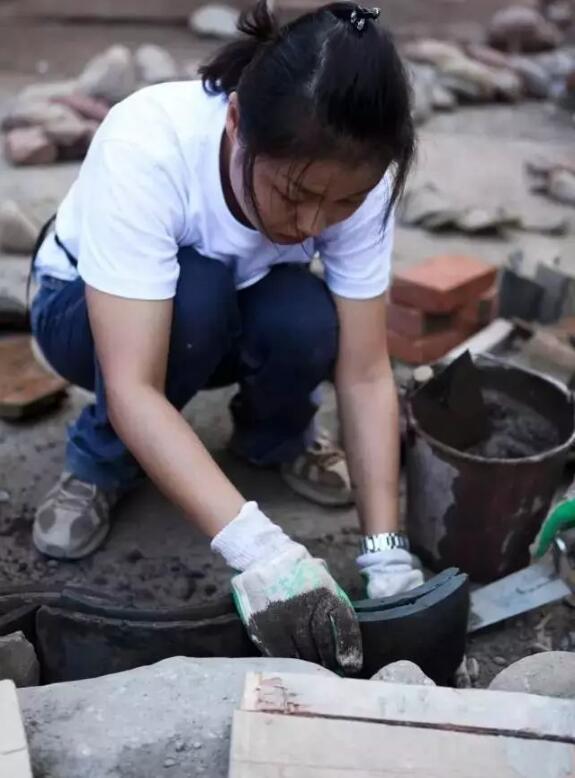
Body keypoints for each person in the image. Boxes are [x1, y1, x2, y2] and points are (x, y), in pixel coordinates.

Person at [29, 0, 423, 673]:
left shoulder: (357, 176)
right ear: (237, 121)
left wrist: (385, 548)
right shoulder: (148, 143)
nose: (312, 222)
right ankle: (99, 462)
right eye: (293, 192)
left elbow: (363, 371)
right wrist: (259, 550)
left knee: (307, 314)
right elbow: (132, 386)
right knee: (197, 294)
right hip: (82, 317)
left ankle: (272, 441)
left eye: (342, 204)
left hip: (221, 307)